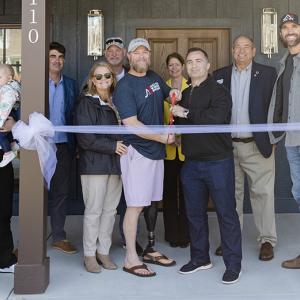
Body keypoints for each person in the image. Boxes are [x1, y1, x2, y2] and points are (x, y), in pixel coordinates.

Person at [171, 47, 242, 284]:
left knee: (226, 214)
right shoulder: (184, 93)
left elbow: (216, 119)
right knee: (195, 215)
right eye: (189, 62)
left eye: (198, 61)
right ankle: (200, 258)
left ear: (208, 65)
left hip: (218, 162)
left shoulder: (220, 91)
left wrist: (186, 112)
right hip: (191, 164)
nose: (193, 65)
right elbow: (182, 125)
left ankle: (233, 265)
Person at [113, 38, 179, 277]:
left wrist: (175, 96)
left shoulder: (154, 77)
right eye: (137, 52)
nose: (141, 56)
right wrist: (162, 139)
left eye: (145, 52)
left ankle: (149, 250)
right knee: (135, 206)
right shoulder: (124, 86)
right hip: (138, 153)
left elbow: (167, 96)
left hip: (155, 154)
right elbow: (131, 124)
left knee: (150, 202)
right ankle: (131, 258)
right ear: (129, 57)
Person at [213, 35, 277, 261]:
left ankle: (267, 240)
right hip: (227, 147)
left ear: (254, 50)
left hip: (258, 145)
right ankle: (231, 239)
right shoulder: (219, 76)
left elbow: (277, 108)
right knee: (231, 195)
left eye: (246, 47)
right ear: (232, 51)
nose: (241, 51)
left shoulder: (268, 74)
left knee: (264, 194)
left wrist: (274, 139)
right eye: (237, 47)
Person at [74, 62, 126, 273]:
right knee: (94, 211)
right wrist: (113, 145)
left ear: (112, 78)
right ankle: (89, 254)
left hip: (115, 165)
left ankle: (103, 251)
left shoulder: (116, 102)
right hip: (94, 165)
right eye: (98, 77)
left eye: (107, 76)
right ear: (92, 81)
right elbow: (85, 139)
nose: (104, 79)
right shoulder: (86, 103)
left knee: (110, 211)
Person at [104, 37, 143, 254]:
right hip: (107, 144)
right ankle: (104, 242)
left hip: (132, 144)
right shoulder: (96, 76)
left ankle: (129, 239)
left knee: (132, 195)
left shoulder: (134, 75)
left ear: (125, 54)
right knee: (109, 196)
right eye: (110, 51)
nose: (114, 54)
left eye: (118, 50)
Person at [268, 13, 300, 269]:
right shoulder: (284, 62)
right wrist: (274, 135)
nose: (290, 31)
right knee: (299, 193)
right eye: (285, 27)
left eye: (294, 26)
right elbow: (281, 101)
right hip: (291, 139)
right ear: (280, 34)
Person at [48, 42, 79, 253]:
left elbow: (75, 115)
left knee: (60, 192)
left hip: (63, 145)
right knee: (34, 192)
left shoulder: (71, 84)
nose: (56, 60)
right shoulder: (35, 82)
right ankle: (30, 239)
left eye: (60, 56)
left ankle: (58, 236)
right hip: (39, 146)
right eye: (52, 56)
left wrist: (76, 144)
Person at [163, 52, 189, 248]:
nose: (174, 68)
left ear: (183, 66)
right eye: (170, 65)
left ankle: (186, 234)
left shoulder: (191, 87)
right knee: (169, 194)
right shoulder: (162, 88)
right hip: (168, 150)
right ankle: (172, 234)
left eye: (177, 65)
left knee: (189, 193)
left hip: (187, 150)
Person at [0, 64, 21, 168]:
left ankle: (8, 152)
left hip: (9, 113)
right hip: (12, 112)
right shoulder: (14, 86)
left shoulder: (8, 89)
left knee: (1, 133)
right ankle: (13, 143)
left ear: (9, 78)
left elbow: (5, 105)